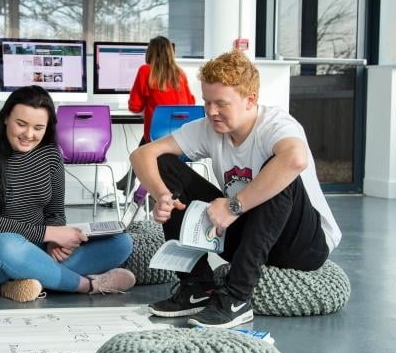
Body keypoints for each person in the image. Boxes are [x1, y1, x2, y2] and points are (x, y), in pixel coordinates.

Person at [130, 50, 341, 329]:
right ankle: (197, 287)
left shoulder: (275, 125)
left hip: (303, 246)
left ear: (250, 100)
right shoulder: (210, 128)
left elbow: (295, 160)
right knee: (166, 163)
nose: (211, 111)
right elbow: (143, 154)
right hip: (251, 235)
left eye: (221, 103)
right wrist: (162, 195)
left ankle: (237, 298)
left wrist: (233, 206)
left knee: (278, 168)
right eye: (206, 102)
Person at [0, 85, 135, 302]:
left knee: (121, 241)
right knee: (6, 245)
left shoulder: (51, 154)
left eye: (38, 128)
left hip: (38, 250)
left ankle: (26, 282)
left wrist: (55, 243)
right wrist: (49, 234)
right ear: (5, 118)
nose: (28, 135)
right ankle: (87, 285)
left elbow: (55, 213)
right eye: (21, 124)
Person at [116, 36, 196, 195]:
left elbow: (134, 106)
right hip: (181, 138)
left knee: (148, 142)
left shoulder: (145, 70)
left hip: (157, 136)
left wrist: (148, 105)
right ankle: (130, 178)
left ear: (150, 53)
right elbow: (190, 104)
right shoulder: (179, 73)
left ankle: (136, 181)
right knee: (148, 142)